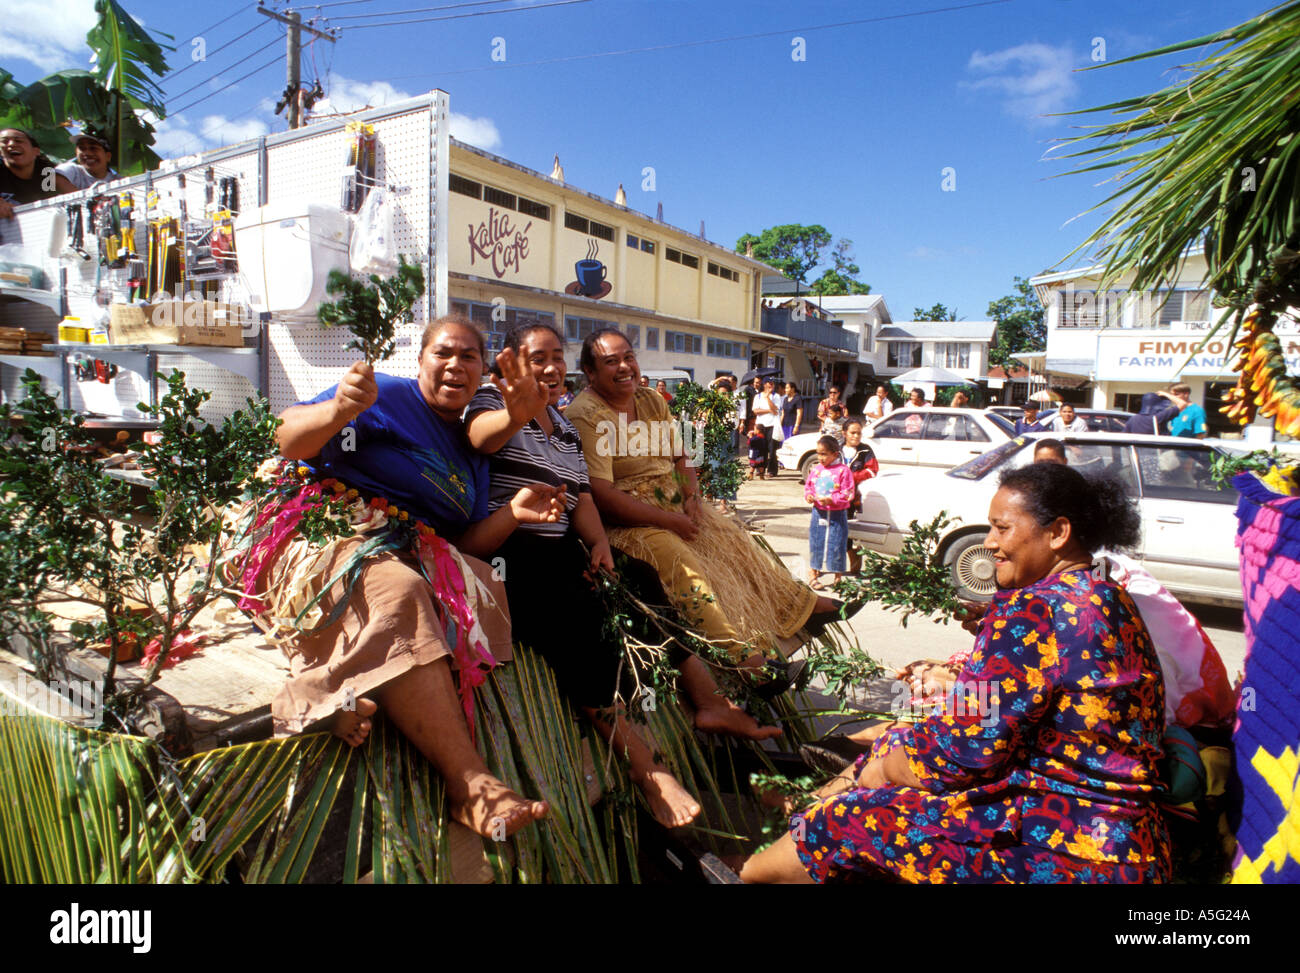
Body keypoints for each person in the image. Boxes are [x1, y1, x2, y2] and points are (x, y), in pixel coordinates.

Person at [742, 463, 1172, 884]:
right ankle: (801, 814)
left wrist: (881, 774)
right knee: (894, 742)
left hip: (1066, 845)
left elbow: (963, 749)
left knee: (845, 819)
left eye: (1002, 528)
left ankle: (753, 871)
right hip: (1127, 841)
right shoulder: (1107, 596)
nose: (990, 543)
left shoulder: (1035, 609)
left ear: (1058, 533)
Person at [255, 315, 557, 839]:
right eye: (443, 353)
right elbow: (287, 439)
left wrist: (513, 513)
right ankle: (470, 786)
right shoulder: (387, 396)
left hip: (399, 552)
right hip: (323, 536)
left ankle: (343, 689)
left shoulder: (470, 452)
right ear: (420, 360)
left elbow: (461, 547)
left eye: (469, 357)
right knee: (400, 589)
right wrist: (339, 409)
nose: (455, 365)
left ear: (484, 371)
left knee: (485, 584)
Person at [464, 321, 701, 827]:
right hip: (511, 550)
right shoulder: (492, 402)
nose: (551, 368)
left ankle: (708, 699)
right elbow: (483, 441)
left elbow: (584, 497)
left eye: (557, 357)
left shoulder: (565, 423)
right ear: (511, 362)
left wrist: (597, 542)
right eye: (537, 358)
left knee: (639, 579)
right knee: (573, 614)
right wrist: (517, 406)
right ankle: (647, 769)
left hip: (564, 543)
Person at [564, 328, 839, 671]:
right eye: (610, 361)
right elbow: (601, 494)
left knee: (733, 539)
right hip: (628, 523)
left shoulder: (649, 399)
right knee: (681, 560)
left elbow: (683, 455)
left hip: (675, 503)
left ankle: (800, 606)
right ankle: (743, 660)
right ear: (589, 372)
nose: (624, 367)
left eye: (628, 357)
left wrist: (692, 497)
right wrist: (668, 520)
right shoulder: (586, 414)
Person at [805, 435, 855, 590]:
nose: (820, 457)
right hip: (818, 513)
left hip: (837, 514)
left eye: (824, 454)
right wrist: (809, 496)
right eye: (818, 453)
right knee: (816, 542)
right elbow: (809, 487)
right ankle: (814, 572)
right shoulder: (816, 470)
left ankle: (838, 576)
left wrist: (832, 500)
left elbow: (848, 493)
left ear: (835, 454)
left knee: (837, 543)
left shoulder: (843, 471)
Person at [0, 128, 76, 219]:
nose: (11, 144)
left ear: (36, 151)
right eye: (4, 141)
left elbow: (77, 197)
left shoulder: (47, 174)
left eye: (18, 141)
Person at [752, 377, 781, 478]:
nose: (771, 386)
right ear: (764, 385)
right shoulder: (758, 396)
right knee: (760, 449)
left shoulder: (776, 396)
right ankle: (760, 469)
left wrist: (768, 398)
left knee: (772, 449)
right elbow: (755, 411)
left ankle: (772, 470)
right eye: (769, 383)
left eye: (772, 384)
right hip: (761, 425)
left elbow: (776, 409)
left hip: (772, 425)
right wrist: (768, 411)